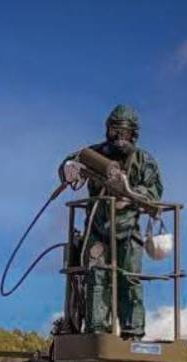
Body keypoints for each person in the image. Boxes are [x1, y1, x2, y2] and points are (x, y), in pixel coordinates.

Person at [65, 105, 163, 337]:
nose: (119, 137)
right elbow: (72, 161)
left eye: (124, 132)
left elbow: (155, 190)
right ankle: (97, 329)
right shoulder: (94, 154)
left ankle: (133, 331)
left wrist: (131, 196)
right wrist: (68, 168)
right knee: (97, 277)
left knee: (129, 278)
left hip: (128, 230)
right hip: (97, 228)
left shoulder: (144, 161)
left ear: (134, 134)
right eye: (114, 131)